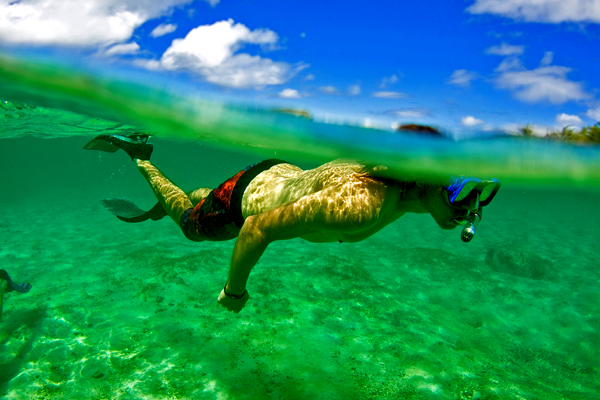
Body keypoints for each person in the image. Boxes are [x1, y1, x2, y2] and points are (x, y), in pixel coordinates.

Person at [84, 134, 500, 313]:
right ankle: (142, 158)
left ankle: (199, 195)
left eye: (478, 196)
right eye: (462, 196)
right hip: (244, 204)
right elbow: (256, 229)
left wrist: (462, 196)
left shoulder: (409, 191)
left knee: (209, 197)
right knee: (189, 225)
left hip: (273, 177)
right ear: (427, 182)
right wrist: (235, 291)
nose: (469, 211)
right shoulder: (363, 205)